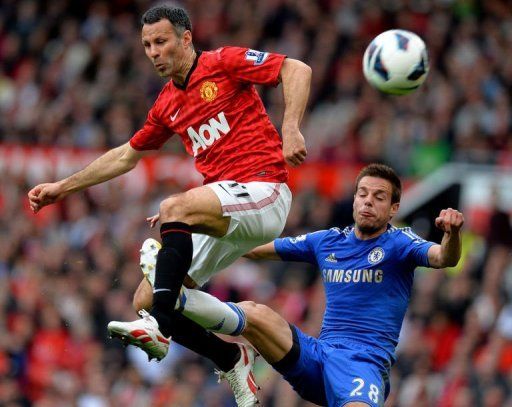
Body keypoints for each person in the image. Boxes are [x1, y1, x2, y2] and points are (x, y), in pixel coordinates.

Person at [27, 5, 311, 406]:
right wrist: (62, 187)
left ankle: (159, 327)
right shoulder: (166, 104)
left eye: (161, 41)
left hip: (265, 191)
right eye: (146, 45)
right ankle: (231, 354)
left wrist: (291, 127)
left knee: (171, 214)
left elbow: (296, 68)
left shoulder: (223, 62)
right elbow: (126, 156)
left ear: (186, 38)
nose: (153, 52)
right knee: (146, 297)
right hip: (227, 208)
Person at [134, 163, 464, 406]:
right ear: (353, 200)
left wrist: (452, 235)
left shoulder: (401, 244)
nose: (367, 202)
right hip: (316, 356)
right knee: (254, 313)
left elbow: (443, 258)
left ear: (393, 209)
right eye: (362, 194)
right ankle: (177, 299)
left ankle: (177, 298)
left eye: (379, 197)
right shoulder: (328, 241)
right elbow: (251, 249)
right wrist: (188, 224)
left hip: (362, 365)